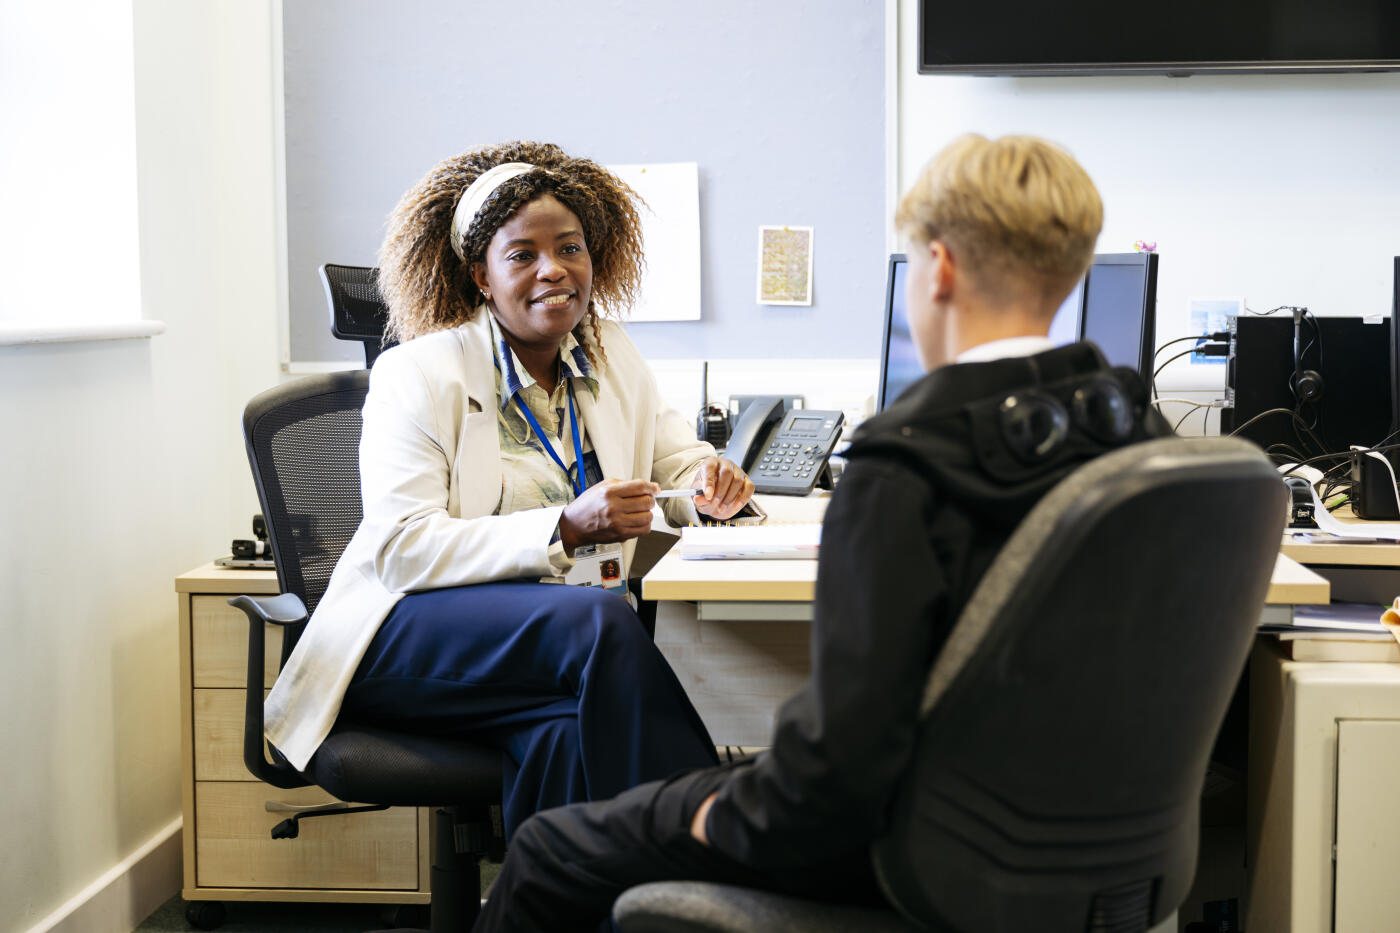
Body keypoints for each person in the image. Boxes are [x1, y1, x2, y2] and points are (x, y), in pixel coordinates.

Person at [471, 134, 1172, 932]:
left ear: (936, 269)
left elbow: (835, 777)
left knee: (548, 850)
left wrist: (701, 814)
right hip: (1087, 843)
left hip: (914, 849)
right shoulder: (1150, 451)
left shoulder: (909, 463)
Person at [261, 141, 756, 837]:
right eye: (522, 254)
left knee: (563, 735)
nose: (554, 270)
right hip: (403, 636)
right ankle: (721, 843)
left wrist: (710, 481)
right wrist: (565, 528)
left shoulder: (609, 354)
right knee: (603, 623)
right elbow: (402, 550)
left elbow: (679, 463)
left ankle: (557, 905)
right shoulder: (419, 373)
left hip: (547, 643)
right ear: (481, 277)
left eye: (570, 248)